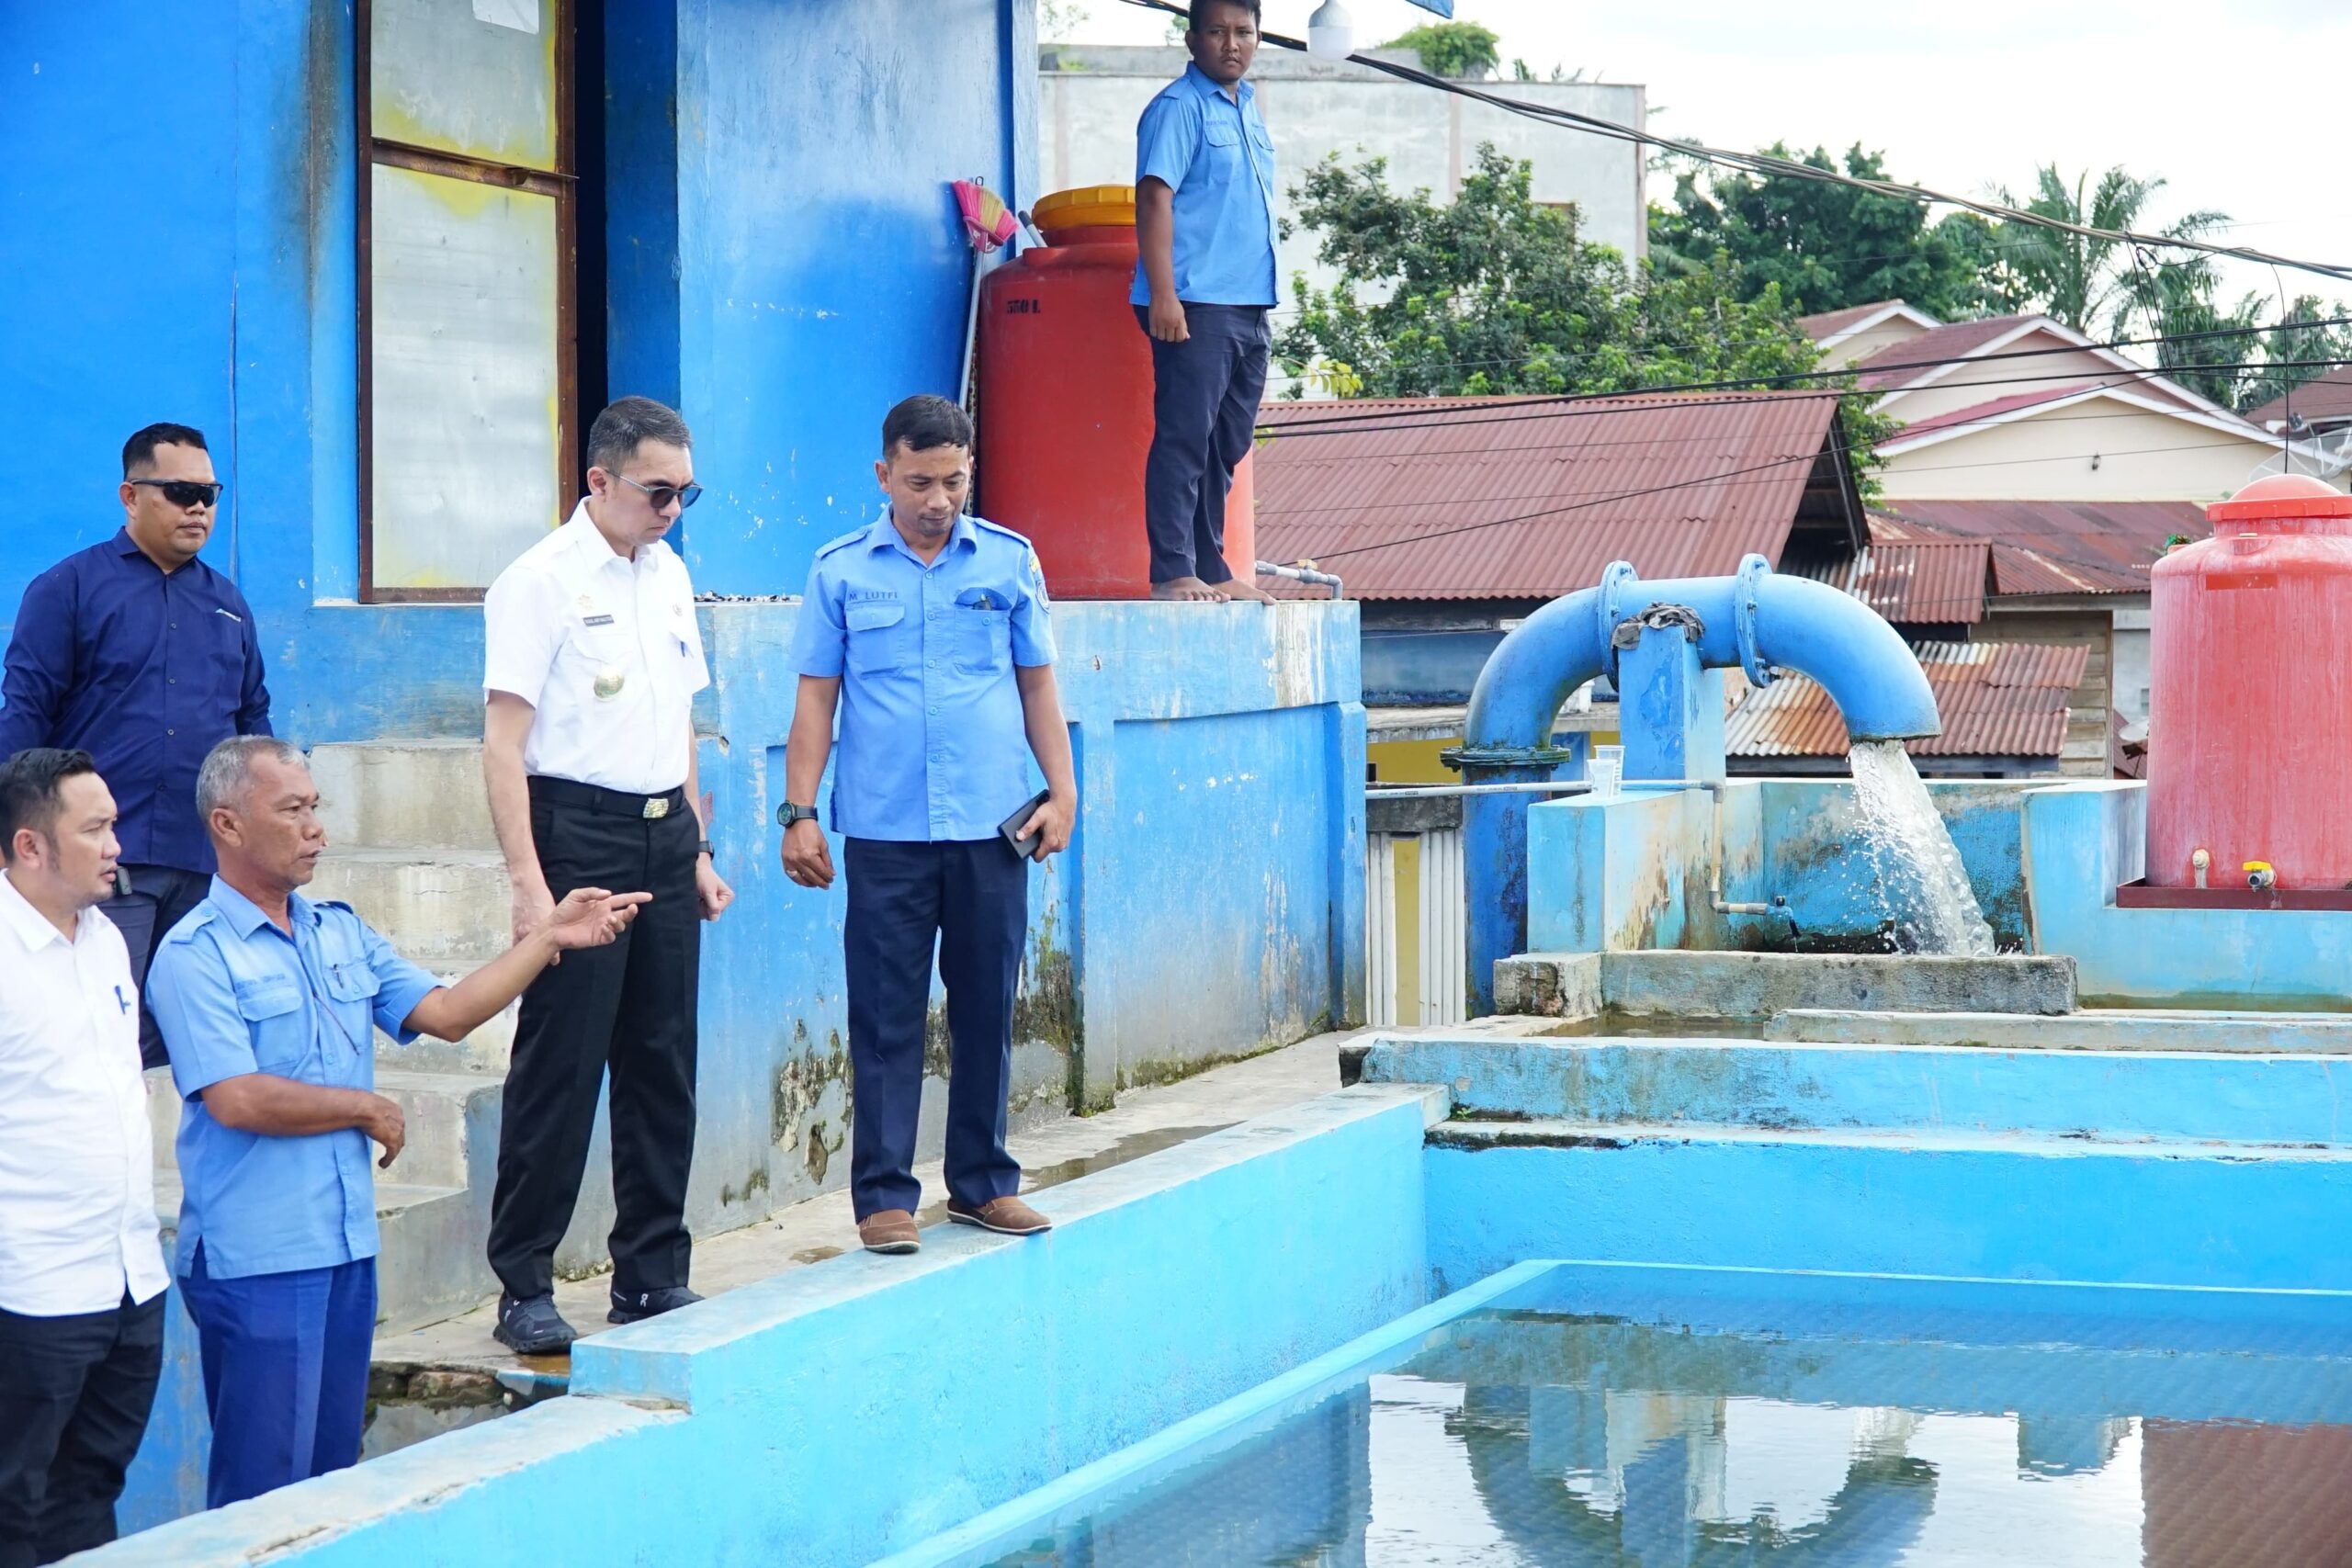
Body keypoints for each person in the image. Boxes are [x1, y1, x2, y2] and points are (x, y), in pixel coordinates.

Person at [146, 737, 647, 1508]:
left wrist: (549, 938)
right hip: (260, 1257)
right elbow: (236, 1098)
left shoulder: (338, 930)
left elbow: (445, 1012)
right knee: (263, 1492)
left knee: (334, 1487)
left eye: (316, 807)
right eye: (292, 810)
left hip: (346, 1246)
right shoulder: (194, 954)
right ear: (228, 825)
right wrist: (364, 1106)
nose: (315, 827)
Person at [780, 394, 1077, 1256]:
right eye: (919, 481)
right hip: (885, 831)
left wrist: (1063, 791)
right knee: (885, 1014)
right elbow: (816, 700)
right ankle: (884, 1197)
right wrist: (800, 813)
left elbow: (1037, 687)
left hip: (993, 829)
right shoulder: (840, 571)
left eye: (952, 480)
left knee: (988, 1005)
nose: (937, 498)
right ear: (885, 475)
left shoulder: (1011, 563)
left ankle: (983, 1184)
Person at [479, 396, 733, 1355]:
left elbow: (678, 722)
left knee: (662, 1060)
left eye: (686, 493)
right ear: (600, 480)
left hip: (664, 832)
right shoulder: (538, 582)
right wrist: (526, 884)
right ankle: (523, 1283)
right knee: (562, 1063)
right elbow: (503, 746)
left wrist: (697, 848)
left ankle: (652, 1274)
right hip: (575, 832)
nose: (672, 510)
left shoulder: (668, 574)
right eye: (657, 491)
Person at [0, 423, 272, 1069]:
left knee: (192, 1043)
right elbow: (25, 715)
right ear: (130, 494)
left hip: (203, 863)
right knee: (97, 1031)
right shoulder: (68, 588)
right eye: (180, 491)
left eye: (209, 493)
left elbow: (252, 730)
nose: (199, 507)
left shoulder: (228, 605)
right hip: (103, 863)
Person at [0, 750, 169, 1566]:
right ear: (31, 846)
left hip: (130, 1276)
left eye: (115, 823)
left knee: (92, 1487)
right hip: (30, 1288)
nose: (116, 843)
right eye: (95, 827)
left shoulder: (107, 940)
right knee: (13, 1503)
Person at [1132, 0, 1279, 605]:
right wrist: (1165, 295)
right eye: (1217, 32)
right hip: (1195, 300)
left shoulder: (1249, 109)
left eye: (1243, 32)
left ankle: (1211, 565)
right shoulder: (1177, 108)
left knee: (1227, 443)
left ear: (1258, 37)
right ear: (1192, 40)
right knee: (1185, 437)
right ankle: (1173, 571)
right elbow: (1153, 198)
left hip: (1250, 302)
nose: (1231, 43)